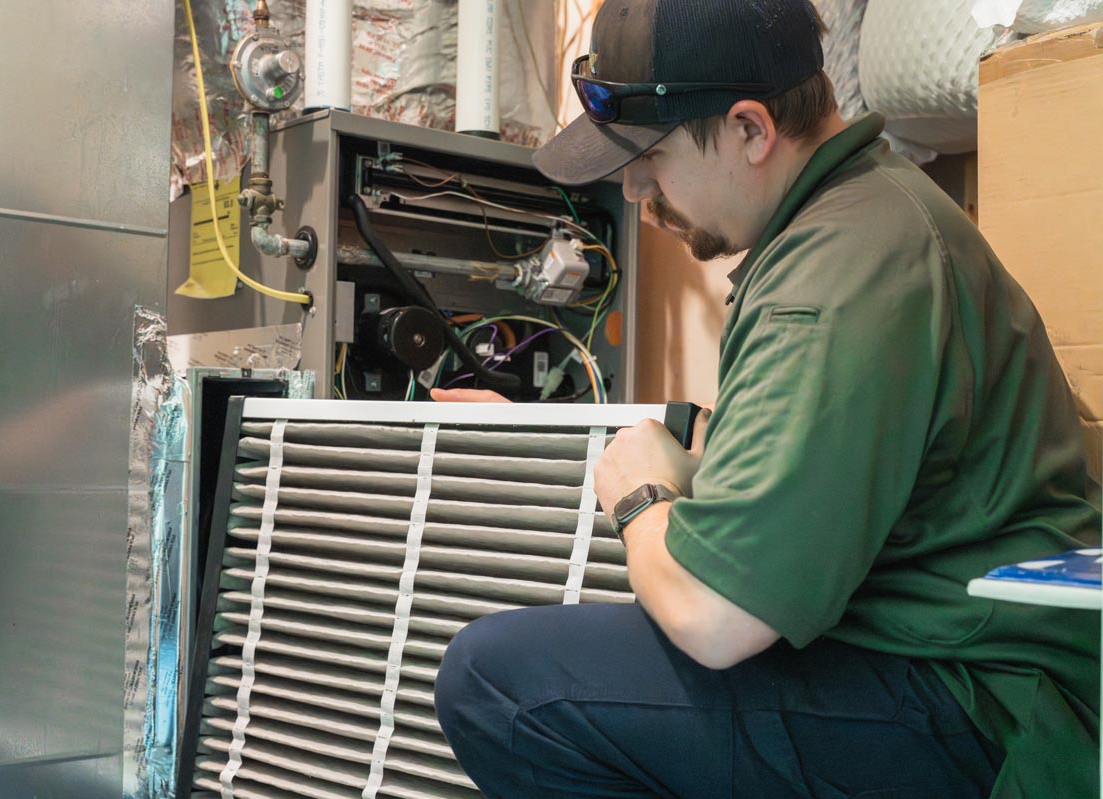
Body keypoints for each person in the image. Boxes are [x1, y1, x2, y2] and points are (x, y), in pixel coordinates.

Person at [429, 0, 1102, 797]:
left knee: (501, 680)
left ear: (751, 129)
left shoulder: (839, 274)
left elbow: (716, 618)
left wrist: (641, 500)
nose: (639, 194)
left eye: (651, 158)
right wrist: (546, 433)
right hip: (951, 657)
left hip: (985, 709)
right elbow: (778, 445)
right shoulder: (854, 218)